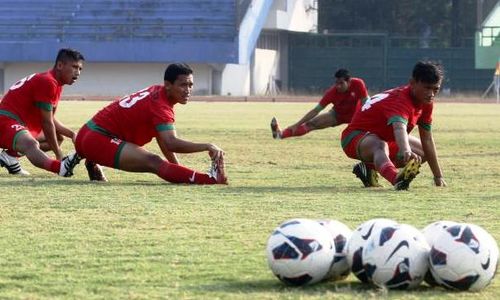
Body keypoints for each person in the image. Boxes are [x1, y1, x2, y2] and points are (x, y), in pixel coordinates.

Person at [74, 63, 227, 184]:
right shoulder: (160, 106)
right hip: (97, 139)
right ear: (168, 84)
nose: (188, 90)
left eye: (190, 85)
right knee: (153, 162)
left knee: (155, 160)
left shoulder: (157, 91)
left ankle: (92, 162)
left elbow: (161, 137)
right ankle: (211, 180)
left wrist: (178, 170)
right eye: (183, 85)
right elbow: (171, 143)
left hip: (86, 133)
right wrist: (207, 146)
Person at [340, 61, 447, 190]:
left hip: (382, 137)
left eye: (436, 89)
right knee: (380, 145)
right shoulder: (400, 100)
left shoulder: (426, 102)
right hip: (354, 138)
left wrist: (438, 176)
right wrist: (405, 149)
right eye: (427, 88)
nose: (431, 94)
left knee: (422, 152)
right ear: (412, 83)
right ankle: (396, 179)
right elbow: (399, 127)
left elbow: (427, 139)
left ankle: (368, 168)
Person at [0, 48, 83, 177]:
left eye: (80, 69)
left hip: (15, 123)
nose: (78, 73)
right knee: (31, 144)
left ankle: (10, 156)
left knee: (58, 137)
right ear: (60, 65)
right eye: (74, 67)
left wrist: (71, 134)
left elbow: (50, 118)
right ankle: (60, 168)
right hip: (5, 121)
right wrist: (59, 155)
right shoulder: (47, 82)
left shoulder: (55, 83)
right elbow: (47, 122)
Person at [270, 68, 370, 139]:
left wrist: (364, 119)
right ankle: (280, 135)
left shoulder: (358, 84)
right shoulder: (331, 93)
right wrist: (297, 124)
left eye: (341, 83)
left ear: (349, 82)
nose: (338, 86)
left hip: (356, 116)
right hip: (337, 116)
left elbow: (366, 103)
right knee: (311, 124)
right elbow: (316, 110)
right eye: (336, 83)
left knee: (369, 132)